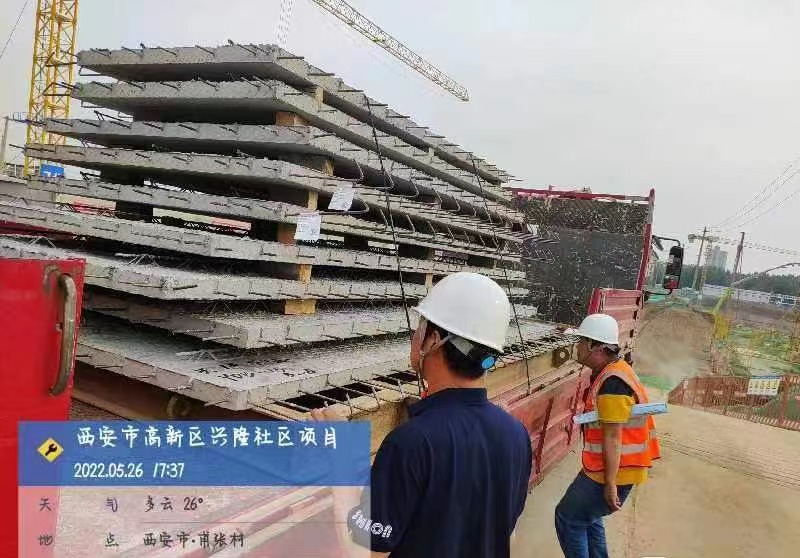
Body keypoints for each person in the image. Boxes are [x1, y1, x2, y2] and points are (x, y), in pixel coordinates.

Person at [312, 272, 533, 558]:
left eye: (421, 326)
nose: (415, 336)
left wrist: (341, 458)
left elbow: (363, 552)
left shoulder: (409, 443)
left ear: (433, 340)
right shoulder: (515, 434)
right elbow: (507, 533)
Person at [554, 313, 660, 558]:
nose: (578, 347)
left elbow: (613, 436)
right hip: (613, 468)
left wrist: (610, 484)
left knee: (568, 518)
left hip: (614, 473)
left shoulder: (613, 383)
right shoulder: (616, 370)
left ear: (596, 347)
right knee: (588, 518)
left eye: (582, 342)